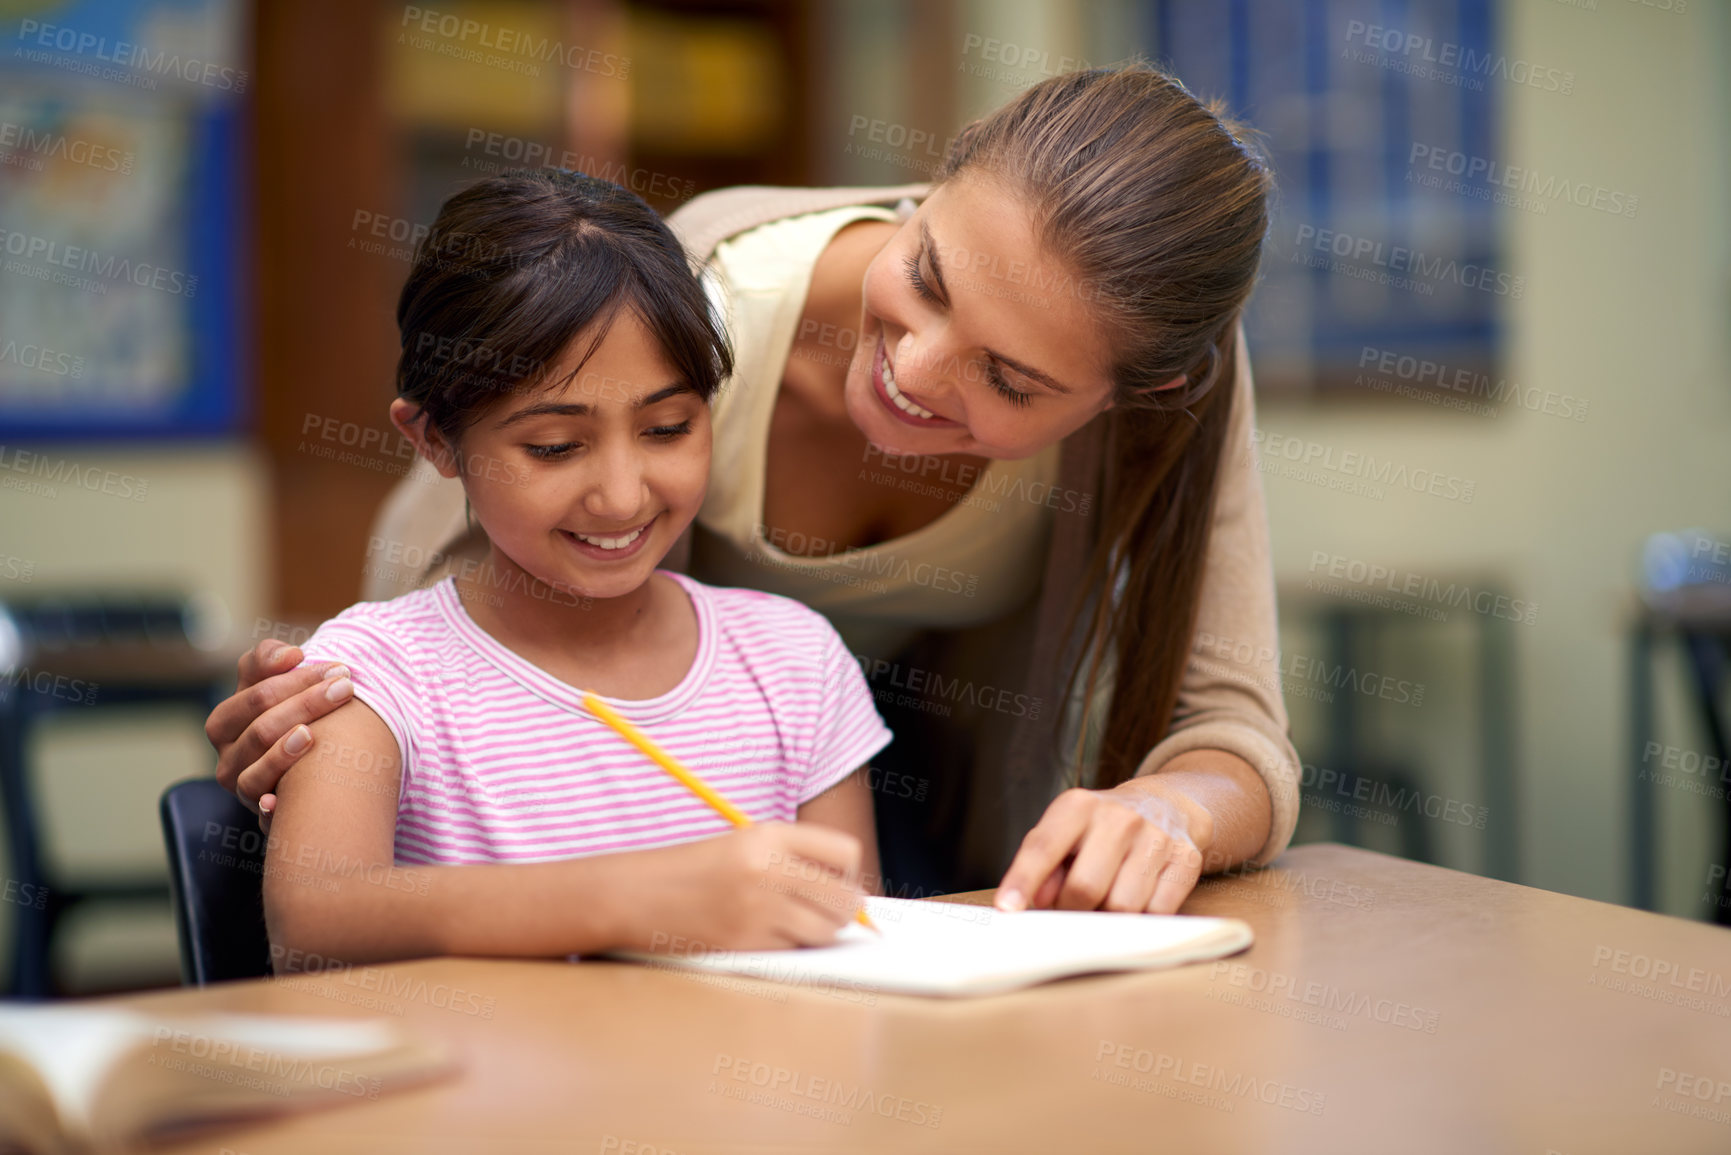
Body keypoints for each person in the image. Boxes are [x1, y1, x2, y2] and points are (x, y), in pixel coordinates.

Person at [209, 63, 1300, 919]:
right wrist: (356, 730)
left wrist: (1172, 812)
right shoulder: (693, 300)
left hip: (893, 827)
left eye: (1010, 380)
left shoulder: (1174, 393)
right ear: (928, 183)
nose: (913, 373)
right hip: (611, 828)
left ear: (1141, 390)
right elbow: (470, 654)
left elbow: (1233, 729)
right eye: (925, 278)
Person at [264, 169, 891, 966]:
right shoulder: (374, 675)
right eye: (554, 447)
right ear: (433, 440)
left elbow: (854, 948)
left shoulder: (794, 662)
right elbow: (313, 922)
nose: (622, 495)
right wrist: (637, 898)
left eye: (667, 428)